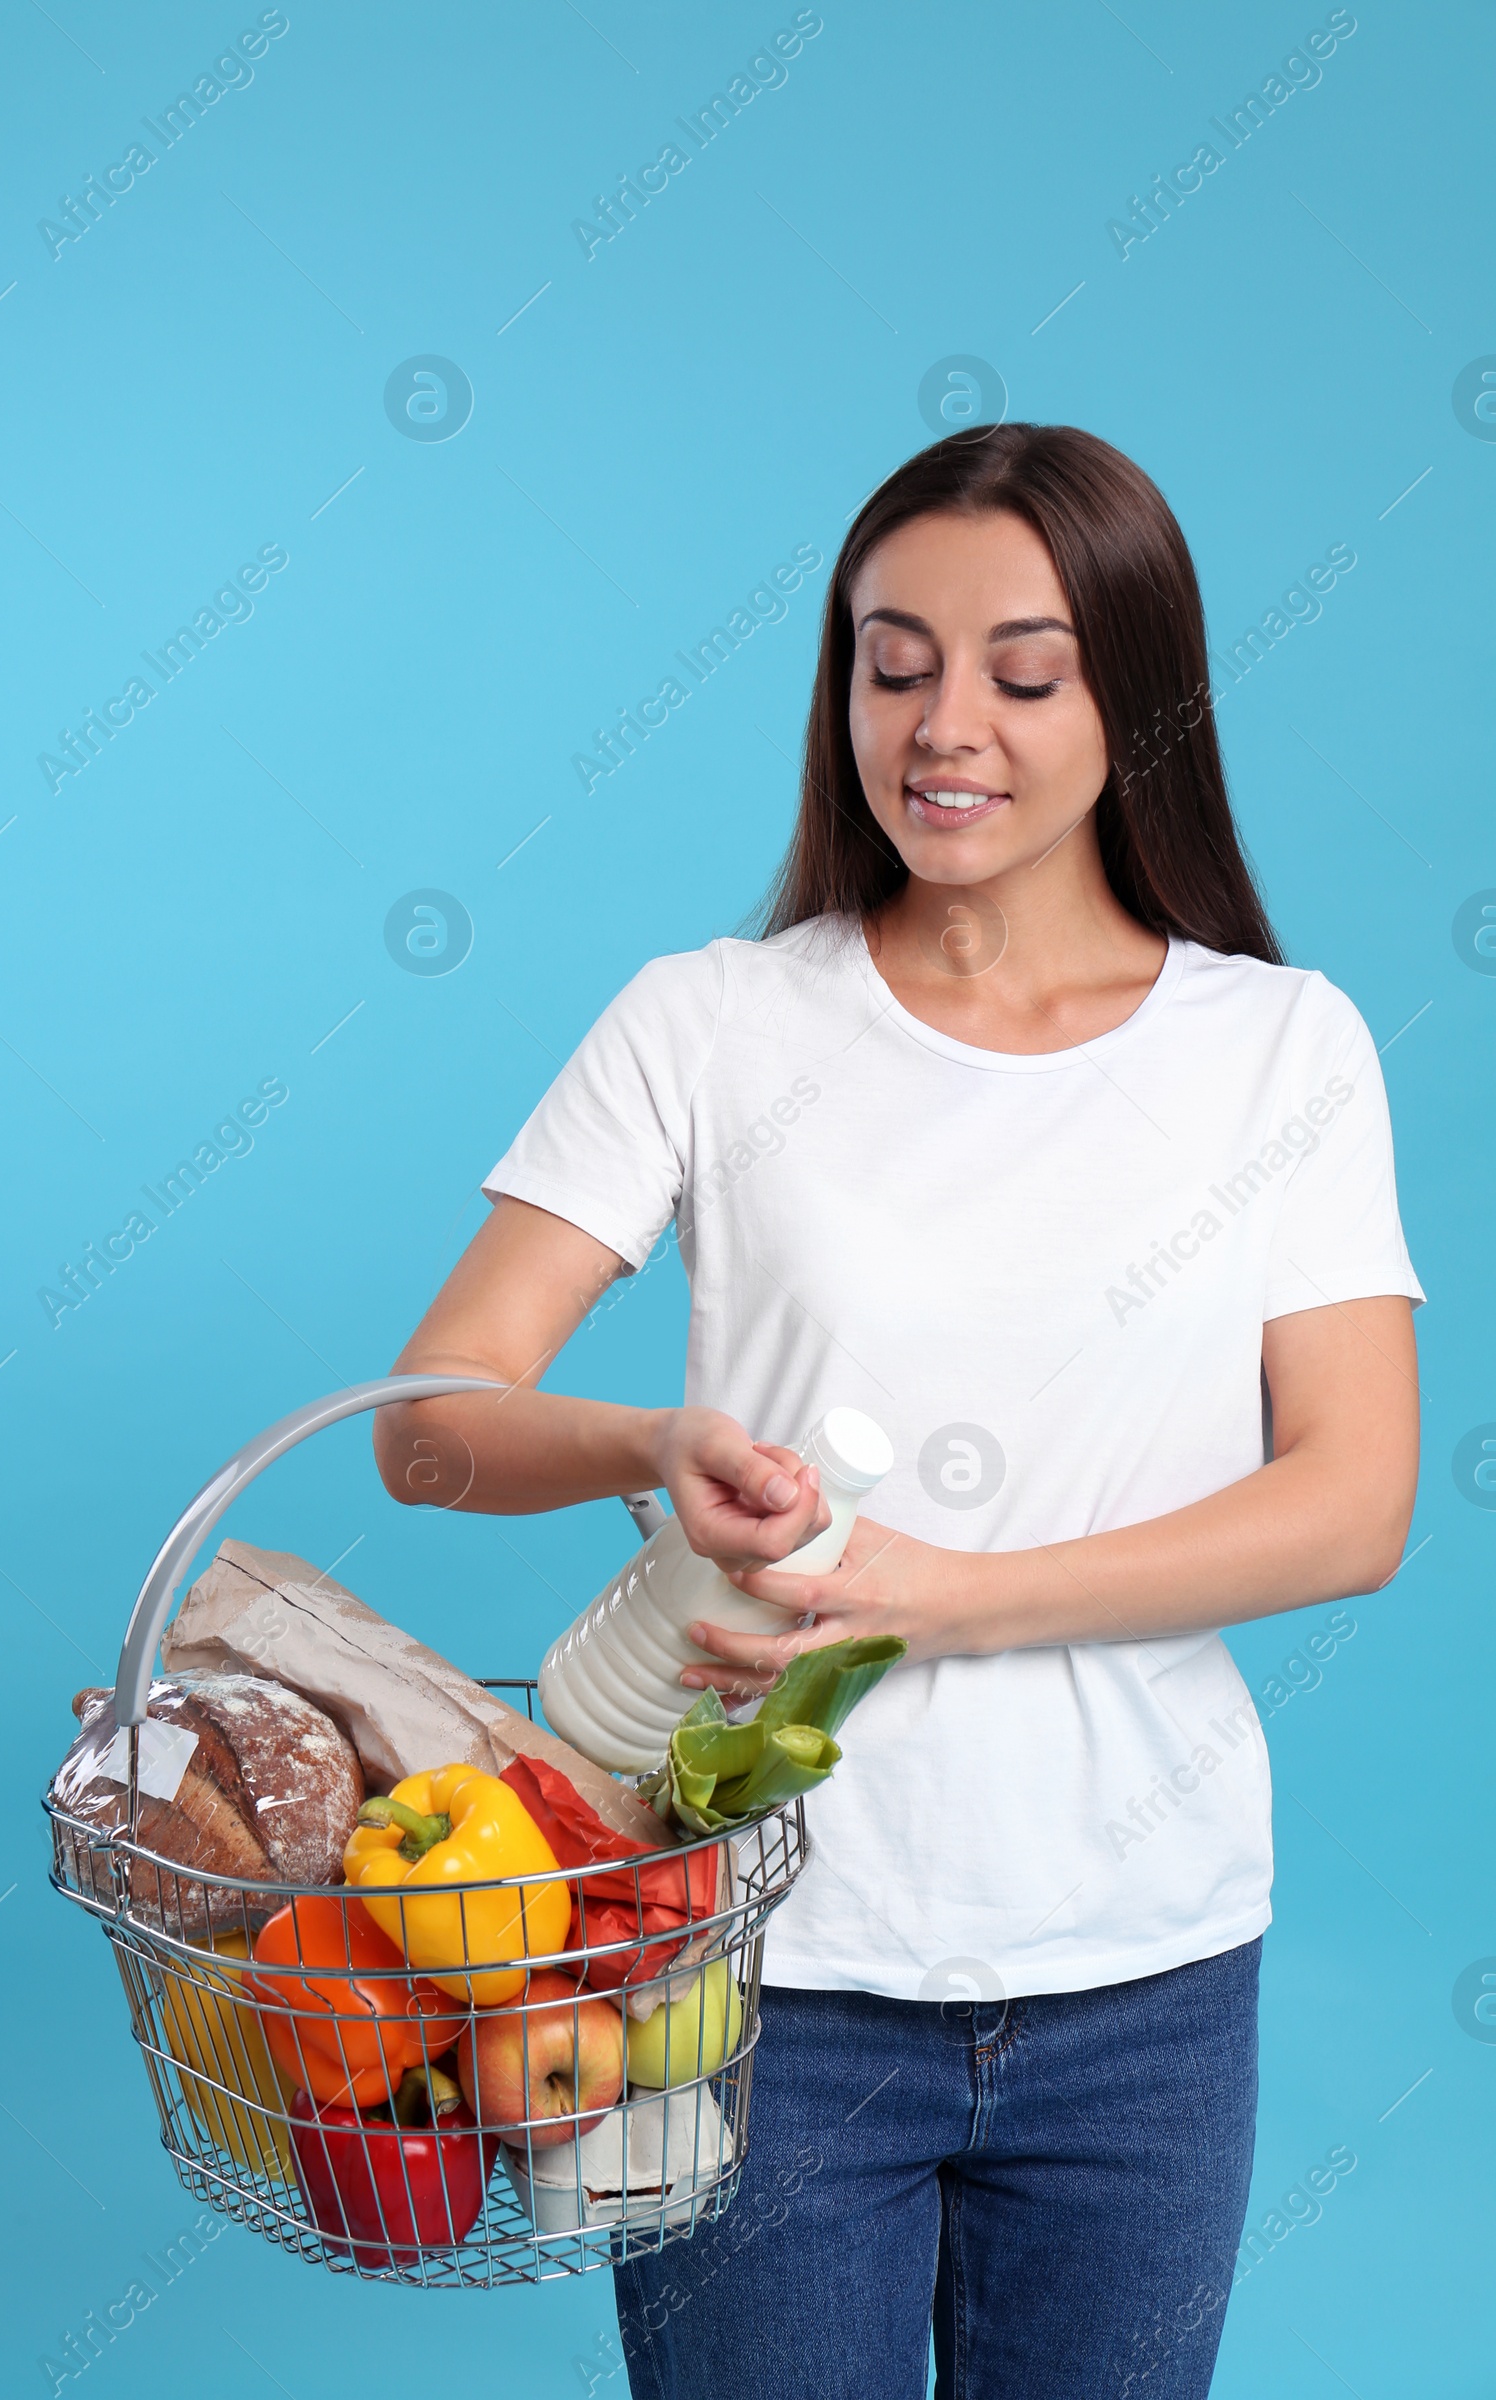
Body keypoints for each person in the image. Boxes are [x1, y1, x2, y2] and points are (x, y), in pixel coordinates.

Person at [373, 424, 1421, 2399]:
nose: (943, 725)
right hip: (744, 1967)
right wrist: (636, 1445)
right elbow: (426, 1425)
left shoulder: (1278, 1046)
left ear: (1135, 694)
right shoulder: (707, 1018)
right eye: (890, 661)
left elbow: (1349, 1503)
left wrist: (947, 1599)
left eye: (1021, 674)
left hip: (1145, 1970)